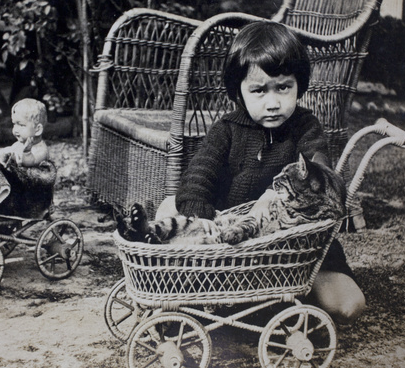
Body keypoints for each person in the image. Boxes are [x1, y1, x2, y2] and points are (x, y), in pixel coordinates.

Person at [155, 20, 365, 325]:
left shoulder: (305, 127)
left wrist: (291, 190)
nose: (272, 103)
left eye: (283, 88)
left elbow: (318, 169)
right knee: (169, 205)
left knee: (349, 305)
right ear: (238, 91)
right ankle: (238, 295)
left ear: (299, 85)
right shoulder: (227, 129)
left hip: (294, 247)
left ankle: (275, 296)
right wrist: (200, 216)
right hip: (234, 244)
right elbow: (198, 175)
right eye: (258, 90)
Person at [0, 98, 49, 167]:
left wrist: (27, 152)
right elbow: (7, 150)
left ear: (38, 130)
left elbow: (30, 163)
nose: (16, 130)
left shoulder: (41, 150)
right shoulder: (19, 144)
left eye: (21, 125)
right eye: (14, 124)